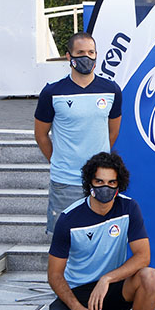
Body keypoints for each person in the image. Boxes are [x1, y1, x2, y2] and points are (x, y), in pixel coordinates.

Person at [41, 152, 155, 310]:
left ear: (119, 184)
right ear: (90, 183)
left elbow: (143, 256)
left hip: (112, 289)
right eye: (100, 182)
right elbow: (54, 275)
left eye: (112, 182)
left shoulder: (129, 208)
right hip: (78, 291)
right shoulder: (68, 219)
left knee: (150, 277)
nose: (106, 188)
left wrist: (107, 279)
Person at [34, 32, 122, 234]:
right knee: (63, 241)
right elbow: (40, 135)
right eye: (80, 52)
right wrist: (58, 161)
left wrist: (100, 162)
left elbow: (113, 131)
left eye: (91, 52)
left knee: (100, 239)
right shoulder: (52, 92)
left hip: (100, 182)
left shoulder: (112, 90)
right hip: (65, 182)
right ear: (69, 56)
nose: (87, 57)